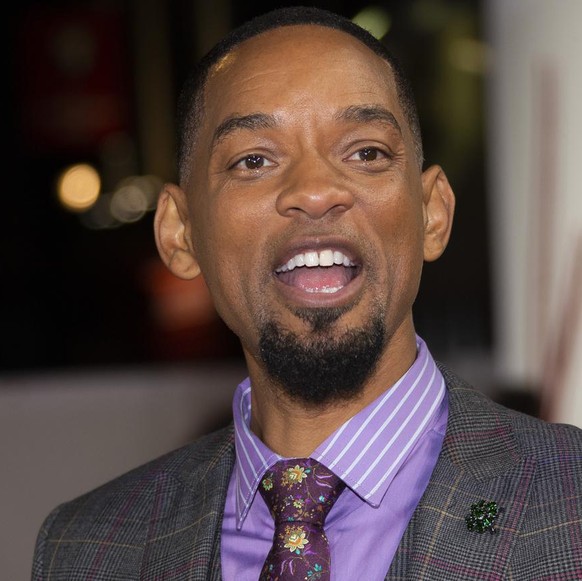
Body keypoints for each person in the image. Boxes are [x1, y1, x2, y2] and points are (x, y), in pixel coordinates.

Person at [32, 6, 582, 580]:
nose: (315, 191)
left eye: (365, 152)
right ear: (180, 232)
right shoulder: (86, 549)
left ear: (433, 214)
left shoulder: (570, 505)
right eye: (254, 160)